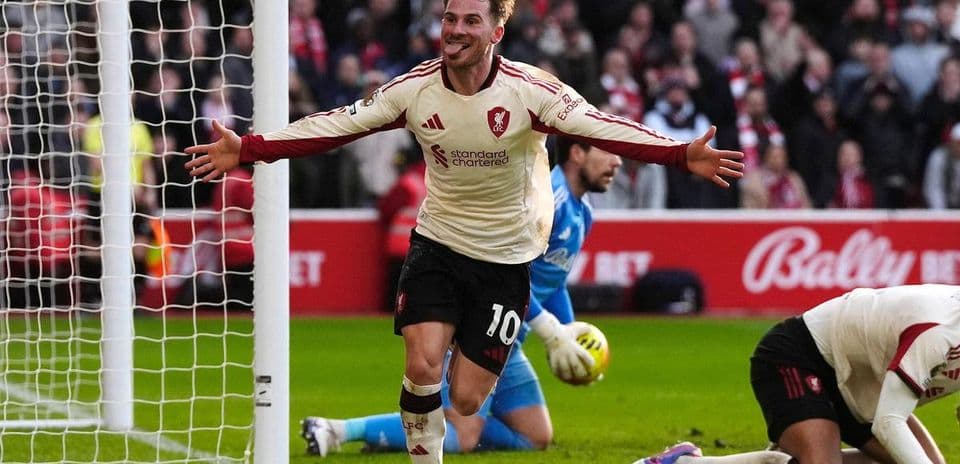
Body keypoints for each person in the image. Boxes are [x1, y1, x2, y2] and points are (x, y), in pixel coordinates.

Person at [184, 1, 744, 462]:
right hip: (439, 244)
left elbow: (602, 127)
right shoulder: (416, 89)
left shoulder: (530, 91)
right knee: (421, 365)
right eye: (450, 18)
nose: (454, 29)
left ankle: (441, 387)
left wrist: (679, 154)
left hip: (506, 261)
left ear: (496, 31)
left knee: (469, 400)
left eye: (470, 21)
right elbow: (338, 124)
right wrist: (249, 148)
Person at [300, 137, 622, 457]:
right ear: (577, 153)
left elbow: (554, 282)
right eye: (608, 152)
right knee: (461, 434)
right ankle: (336, 430)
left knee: (533, 435)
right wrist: (550, 332)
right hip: (480, 328)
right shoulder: (546, 202)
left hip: (510, 339)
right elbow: (507, 276)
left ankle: (398, 436)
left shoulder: (583, 213)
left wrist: (569, 337)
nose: (617, 162)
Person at [635, 284, 960, 464]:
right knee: (822, 462)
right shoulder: (937, 332)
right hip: (800, 354)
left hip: (862, 382)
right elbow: (889, 423)